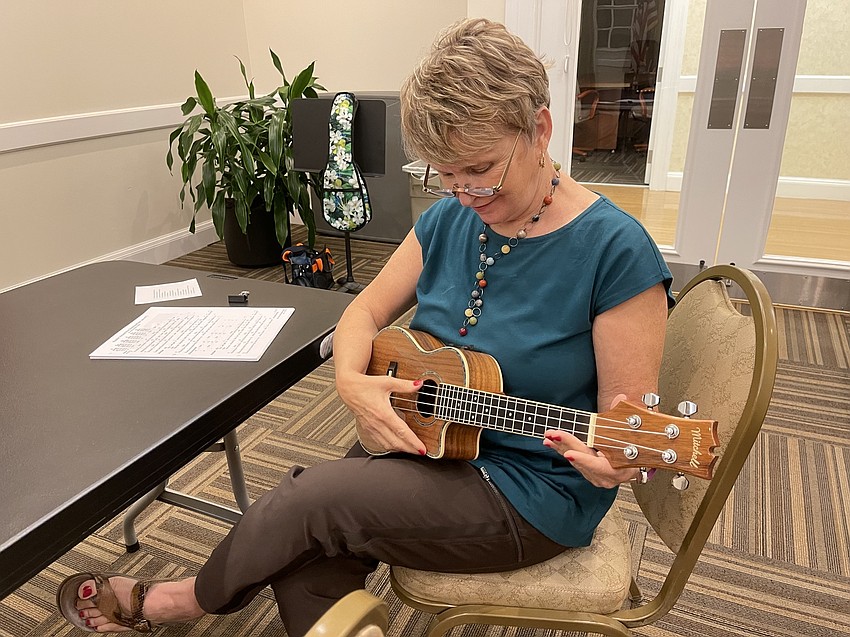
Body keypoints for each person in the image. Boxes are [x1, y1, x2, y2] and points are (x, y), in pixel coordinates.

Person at [57, 17, 673, 635]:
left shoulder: (615, 251)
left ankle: (184, 600)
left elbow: (629, 432)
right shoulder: (447, 221)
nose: (463, 194)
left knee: (305, 504)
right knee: (305, 545)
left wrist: (620, 462)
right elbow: (363, 312)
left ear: (538, 129)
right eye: (445, 174)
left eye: (480, 168)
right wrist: (352, 382)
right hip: (430, 433)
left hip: (528, 489)